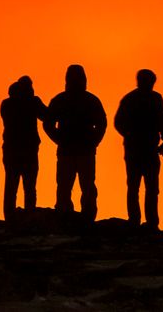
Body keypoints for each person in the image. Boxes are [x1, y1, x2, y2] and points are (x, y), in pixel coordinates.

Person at [44, 63, 107, 221]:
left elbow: (101, 124)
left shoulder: (63, 100)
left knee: (80, 186)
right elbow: (48, 123)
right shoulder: (88, 100)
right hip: (74, 150)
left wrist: (93, 141)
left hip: (78, 150)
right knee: (73, 186)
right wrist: (93, 141)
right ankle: (78, 216)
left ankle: (75, 216)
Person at [114, 69, 163, 228]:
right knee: (143, 186)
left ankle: (141, 221)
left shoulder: (132, 99)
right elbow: (162, 120)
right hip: (141, 149)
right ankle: (145, 221)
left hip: (143, 149)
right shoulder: (149, 98)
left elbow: (162, 120)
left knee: (143, 187)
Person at [0, 75, 49, 220]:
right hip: (28, 149)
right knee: (29, 185)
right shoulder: (33, 102)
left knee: (11, 184)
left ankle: (9, 216)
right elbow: (46, 115)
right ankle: (29, 214)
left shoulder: (6, 104)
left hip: (11, 149)